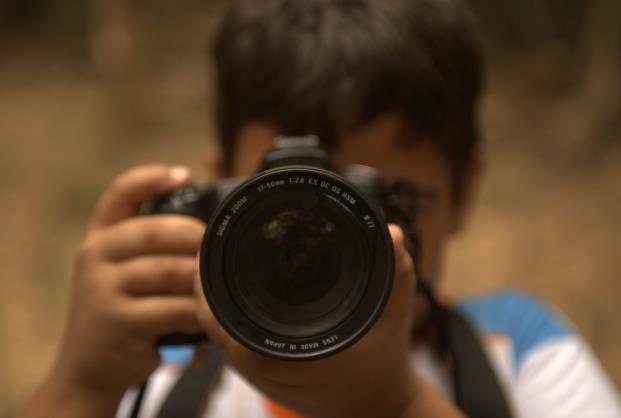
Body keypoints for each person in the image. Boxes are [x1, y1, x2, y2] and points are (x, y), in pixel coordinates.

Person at [17, 0, 621, 417]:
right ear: (218, 191)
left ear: (466, 192)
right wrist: (81, 384)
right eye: (282, 214)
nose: (320, 248)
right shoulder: (161, 366)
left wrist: (392, 405)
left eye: (389, 204)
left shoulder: (521, 351)